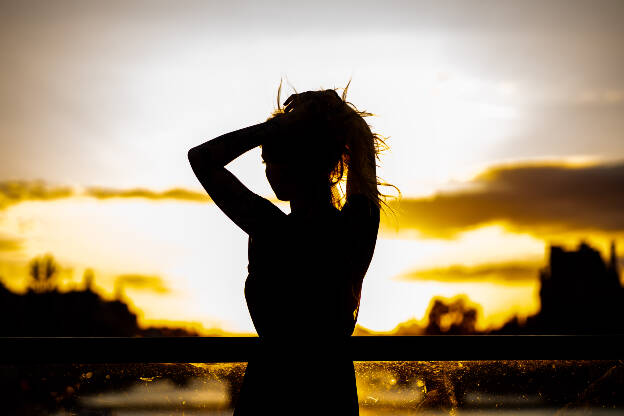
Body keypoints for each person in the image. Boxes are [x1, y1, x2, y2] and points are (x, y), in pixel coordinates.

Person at [188, 87, 387, 415]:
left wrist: (273, 128)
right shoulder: (356, 226)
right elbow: (363, 152)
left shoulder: (271, 228)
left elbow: (202, 158)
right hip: (332, 395)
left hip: (270, 395)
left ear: (301, 161)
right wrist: (316, 123)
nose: (267, 170)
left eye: (273, 158)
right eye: (265, 159)